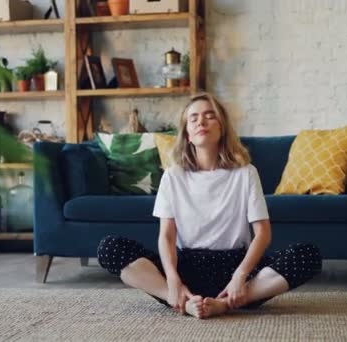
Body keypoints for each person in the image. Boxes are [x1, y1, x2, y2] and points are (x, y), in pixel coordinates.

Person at [97, 93, 322, 319]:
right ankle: (181, 300)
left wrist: (240, 277)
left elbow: (263, 234)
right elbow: (166, 236)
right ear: (187, 133)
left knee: (308, 255)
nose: (201, 122)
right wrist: (173, 278)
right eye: (193, 118)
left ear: (222, 127)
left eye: (209, 116)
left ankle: (224, 303)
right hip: (187, 267)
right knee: (110, 248)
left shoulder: (246, 173)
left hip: (236, 268)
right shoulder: (173, 176)